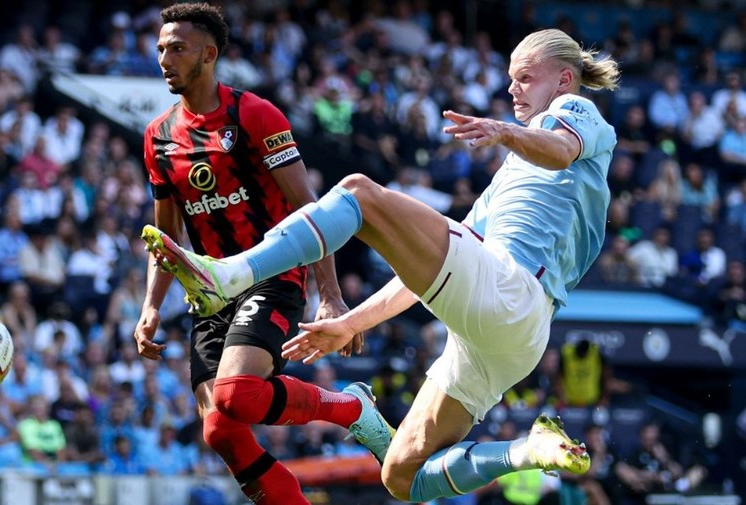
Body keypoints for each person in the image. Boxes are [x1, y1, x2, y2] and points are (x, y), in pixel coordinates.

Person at [142, 27, 619, 502]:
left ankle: (231, 273)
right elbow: (423, 278)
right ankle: (526, 451)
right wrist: (351, 322)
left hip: (511, 291)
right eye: (511, 78)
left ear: (562, 79)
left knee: (358, 192)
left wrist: (501, 131)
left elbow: (560, 150)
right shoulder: (506, 183)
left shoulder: (574, 110)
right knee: (401, 475)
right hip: (513, 338)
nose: (512, 89)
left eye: (525, 78)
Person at [133, 4, 390, 505]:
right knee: (220, 433)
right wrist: (150, 306)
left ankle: (351, 409)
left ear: (208, 55)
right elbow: (165, 239)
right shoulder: (159, 138)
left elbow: (309, 210)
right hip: (208, 293)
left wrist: (331, 296)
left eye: (177, 48)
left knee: (236, 396)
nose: (164, 58)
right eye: (161, 47)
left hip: (270, 275)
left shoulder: (254, 115)